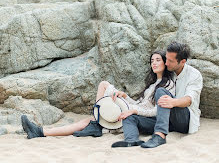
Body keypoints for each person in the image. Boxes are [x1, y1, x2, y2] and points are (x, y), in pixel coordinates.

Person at [21, 50, 175, 140]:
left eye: (158, 60)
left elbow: (157, 112)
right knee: (104, 84)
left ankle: (42, 132)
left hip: (138, 117)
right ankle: (97, 119)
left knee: (86, 121)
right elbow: (140, 103)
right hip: (133, 110)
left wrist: (133, 110)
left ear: (165, 63)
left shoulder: (167, 85)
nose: (154, 63)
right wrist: (125, 96)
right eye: (152, 60)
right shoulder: (153, 84)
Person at [112, 41, 203, 149]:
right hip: (166, 119)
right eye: (166, 59)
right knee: (130, 117)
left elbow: (189, 100)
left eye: (170, 61)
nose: (166, 63)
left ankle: (160, 135)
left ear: (182, 61)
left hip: (184, 119)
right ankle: (131, 140)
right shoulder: (169, 73)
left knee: (161, 92)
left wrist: (172, 102)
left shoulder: (194, 75)